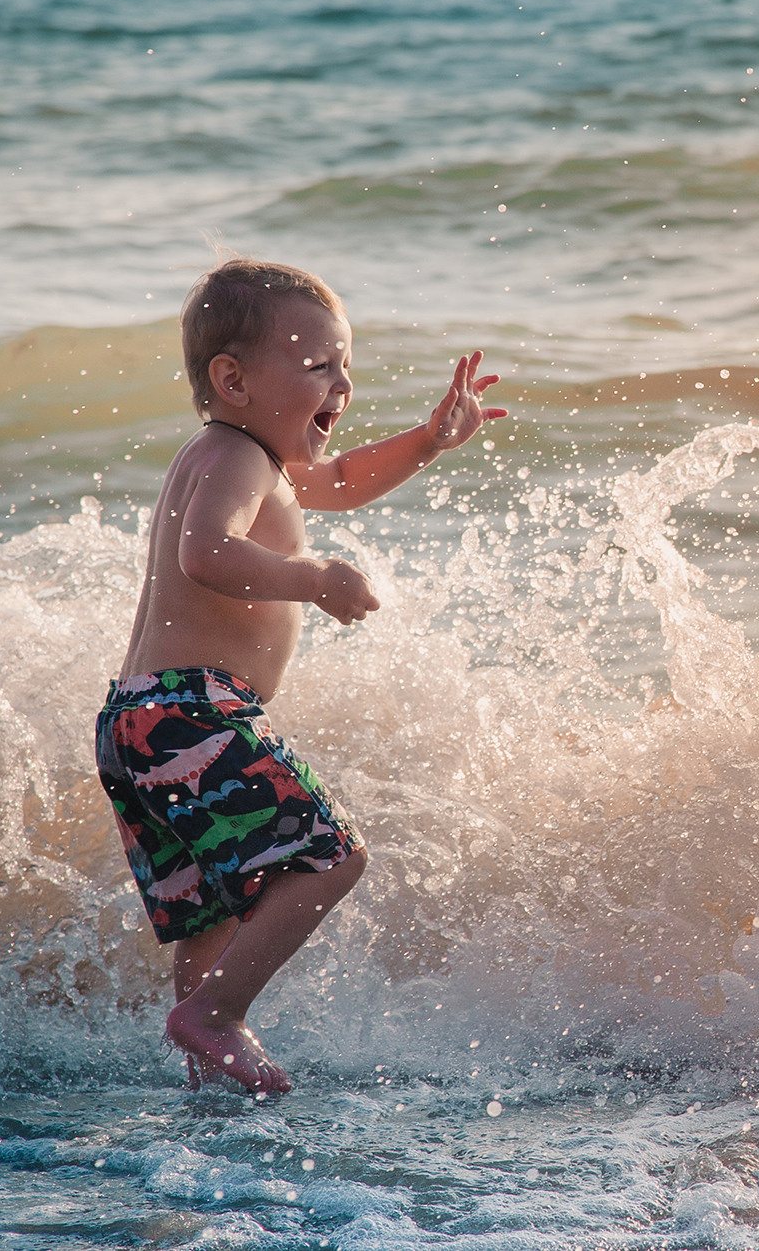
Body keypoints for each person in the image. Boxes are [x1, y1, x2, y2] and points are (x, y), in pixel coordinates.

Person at [95, 257, 505, 1093]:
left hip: (137, 721)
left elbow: (344, 481)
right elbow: (205, 552)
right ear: (233, 380)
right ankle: (216, 1017)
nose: (342, 385)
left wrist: (430, 440)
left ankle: (208, 1070)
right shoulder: (238, 460)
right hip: (194, 714)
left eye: (345, 365)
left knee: (211, 909)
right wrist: (314, 577)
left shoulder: (236, 456)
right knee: (332, 856)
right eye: (319, 365)